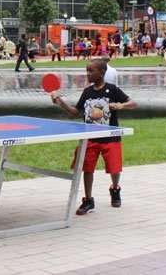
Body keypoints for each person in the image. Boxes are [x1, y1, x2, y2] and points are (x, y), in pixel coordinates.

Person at [50, 59, 137, 215]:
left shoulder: (113, 90)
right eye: (87, 71)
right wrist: (59, 102)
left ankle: (115, 188)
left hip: (110, 137)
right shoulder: (87, 92)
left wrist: (121, 105)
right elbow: (75, 112)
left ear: (102, 73)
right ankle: (88, 200)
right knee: (87, 168)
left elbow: (133, 103)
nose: (88, 74)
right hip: (90, 137)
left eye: (91, 71)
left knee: (114, 169)